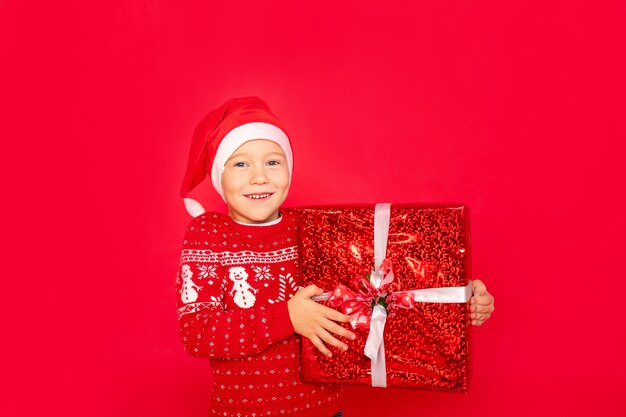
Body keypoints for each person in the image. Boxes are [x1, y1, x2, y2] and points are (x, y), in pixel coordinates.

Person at [176, 97, 495, 417]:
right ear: (219, 174)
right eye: (240, 163)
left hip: (324, 410)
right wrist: (288, 318)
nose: (259, 176)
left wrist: (454, 301)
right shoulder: (209, 234)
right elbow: (198, 332)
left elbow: (378, 291)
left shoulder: (314, 228)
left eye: (273, 162)